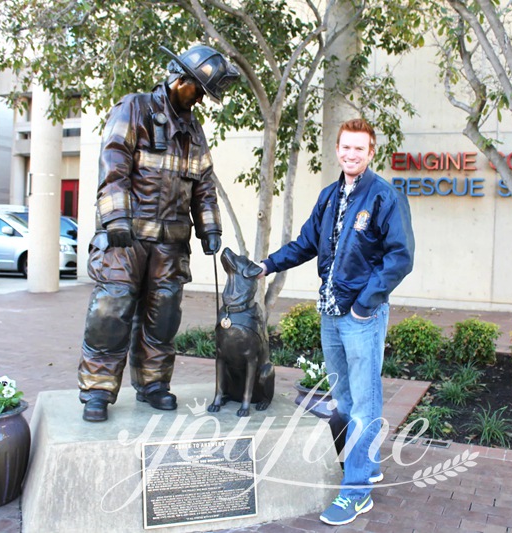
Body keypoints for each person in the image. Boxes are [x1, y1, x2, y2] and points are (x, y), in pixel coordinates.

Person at [259, 118, 414, 526]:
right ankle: (367, 465)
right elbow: (306, 243)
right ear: (338, 149)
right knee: (344, 401)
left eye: (359, 148)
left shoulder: (384, 196)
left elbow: (400, 257)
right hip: (330, 313)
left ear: (371, 151)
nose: (350, 154)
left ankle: (357, 491)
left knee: (363, 402)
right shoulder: (329, 197)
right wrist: (266, 265)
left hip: (361, 316)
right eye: (345, 147)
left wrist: (366, 303)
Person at [77, 44, 240, 422]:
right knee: (111, 311)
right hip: (125, 241)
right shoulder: (133, 108)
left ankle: (153, 384)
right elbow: (113, 164)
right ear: (180, 79)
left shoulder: (194, 131)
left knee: (163, 315)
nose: (199, 98)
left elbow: (203, 185)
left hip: (170, 245)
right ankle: (98, 391)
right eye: (198, 89)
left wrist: (209, 228)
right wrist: (116, 219)